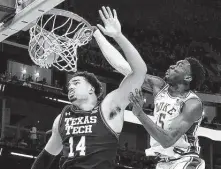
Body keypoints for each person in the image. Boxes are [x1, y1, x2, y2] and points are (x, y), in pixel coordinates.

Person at [31, 6, 147, 169]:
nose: (70, 86)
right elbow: (45, 159)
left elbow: (140, 71)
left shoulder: (108, 108)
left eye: (76, 83)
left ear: (91, 89)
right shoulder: (62, 118)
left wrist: (117, 36)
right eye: (70, 84)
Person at [97, 31, 206, 168]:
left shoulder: (192, 103)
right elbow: (122, 67)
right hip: (163, 162)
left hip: (186, 160)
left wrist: (140, 114)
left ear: (188, 78)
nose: (172, 66)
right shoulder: (158, 86)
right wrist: (98, 36)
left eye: (179, 66)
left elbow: (167, 140)